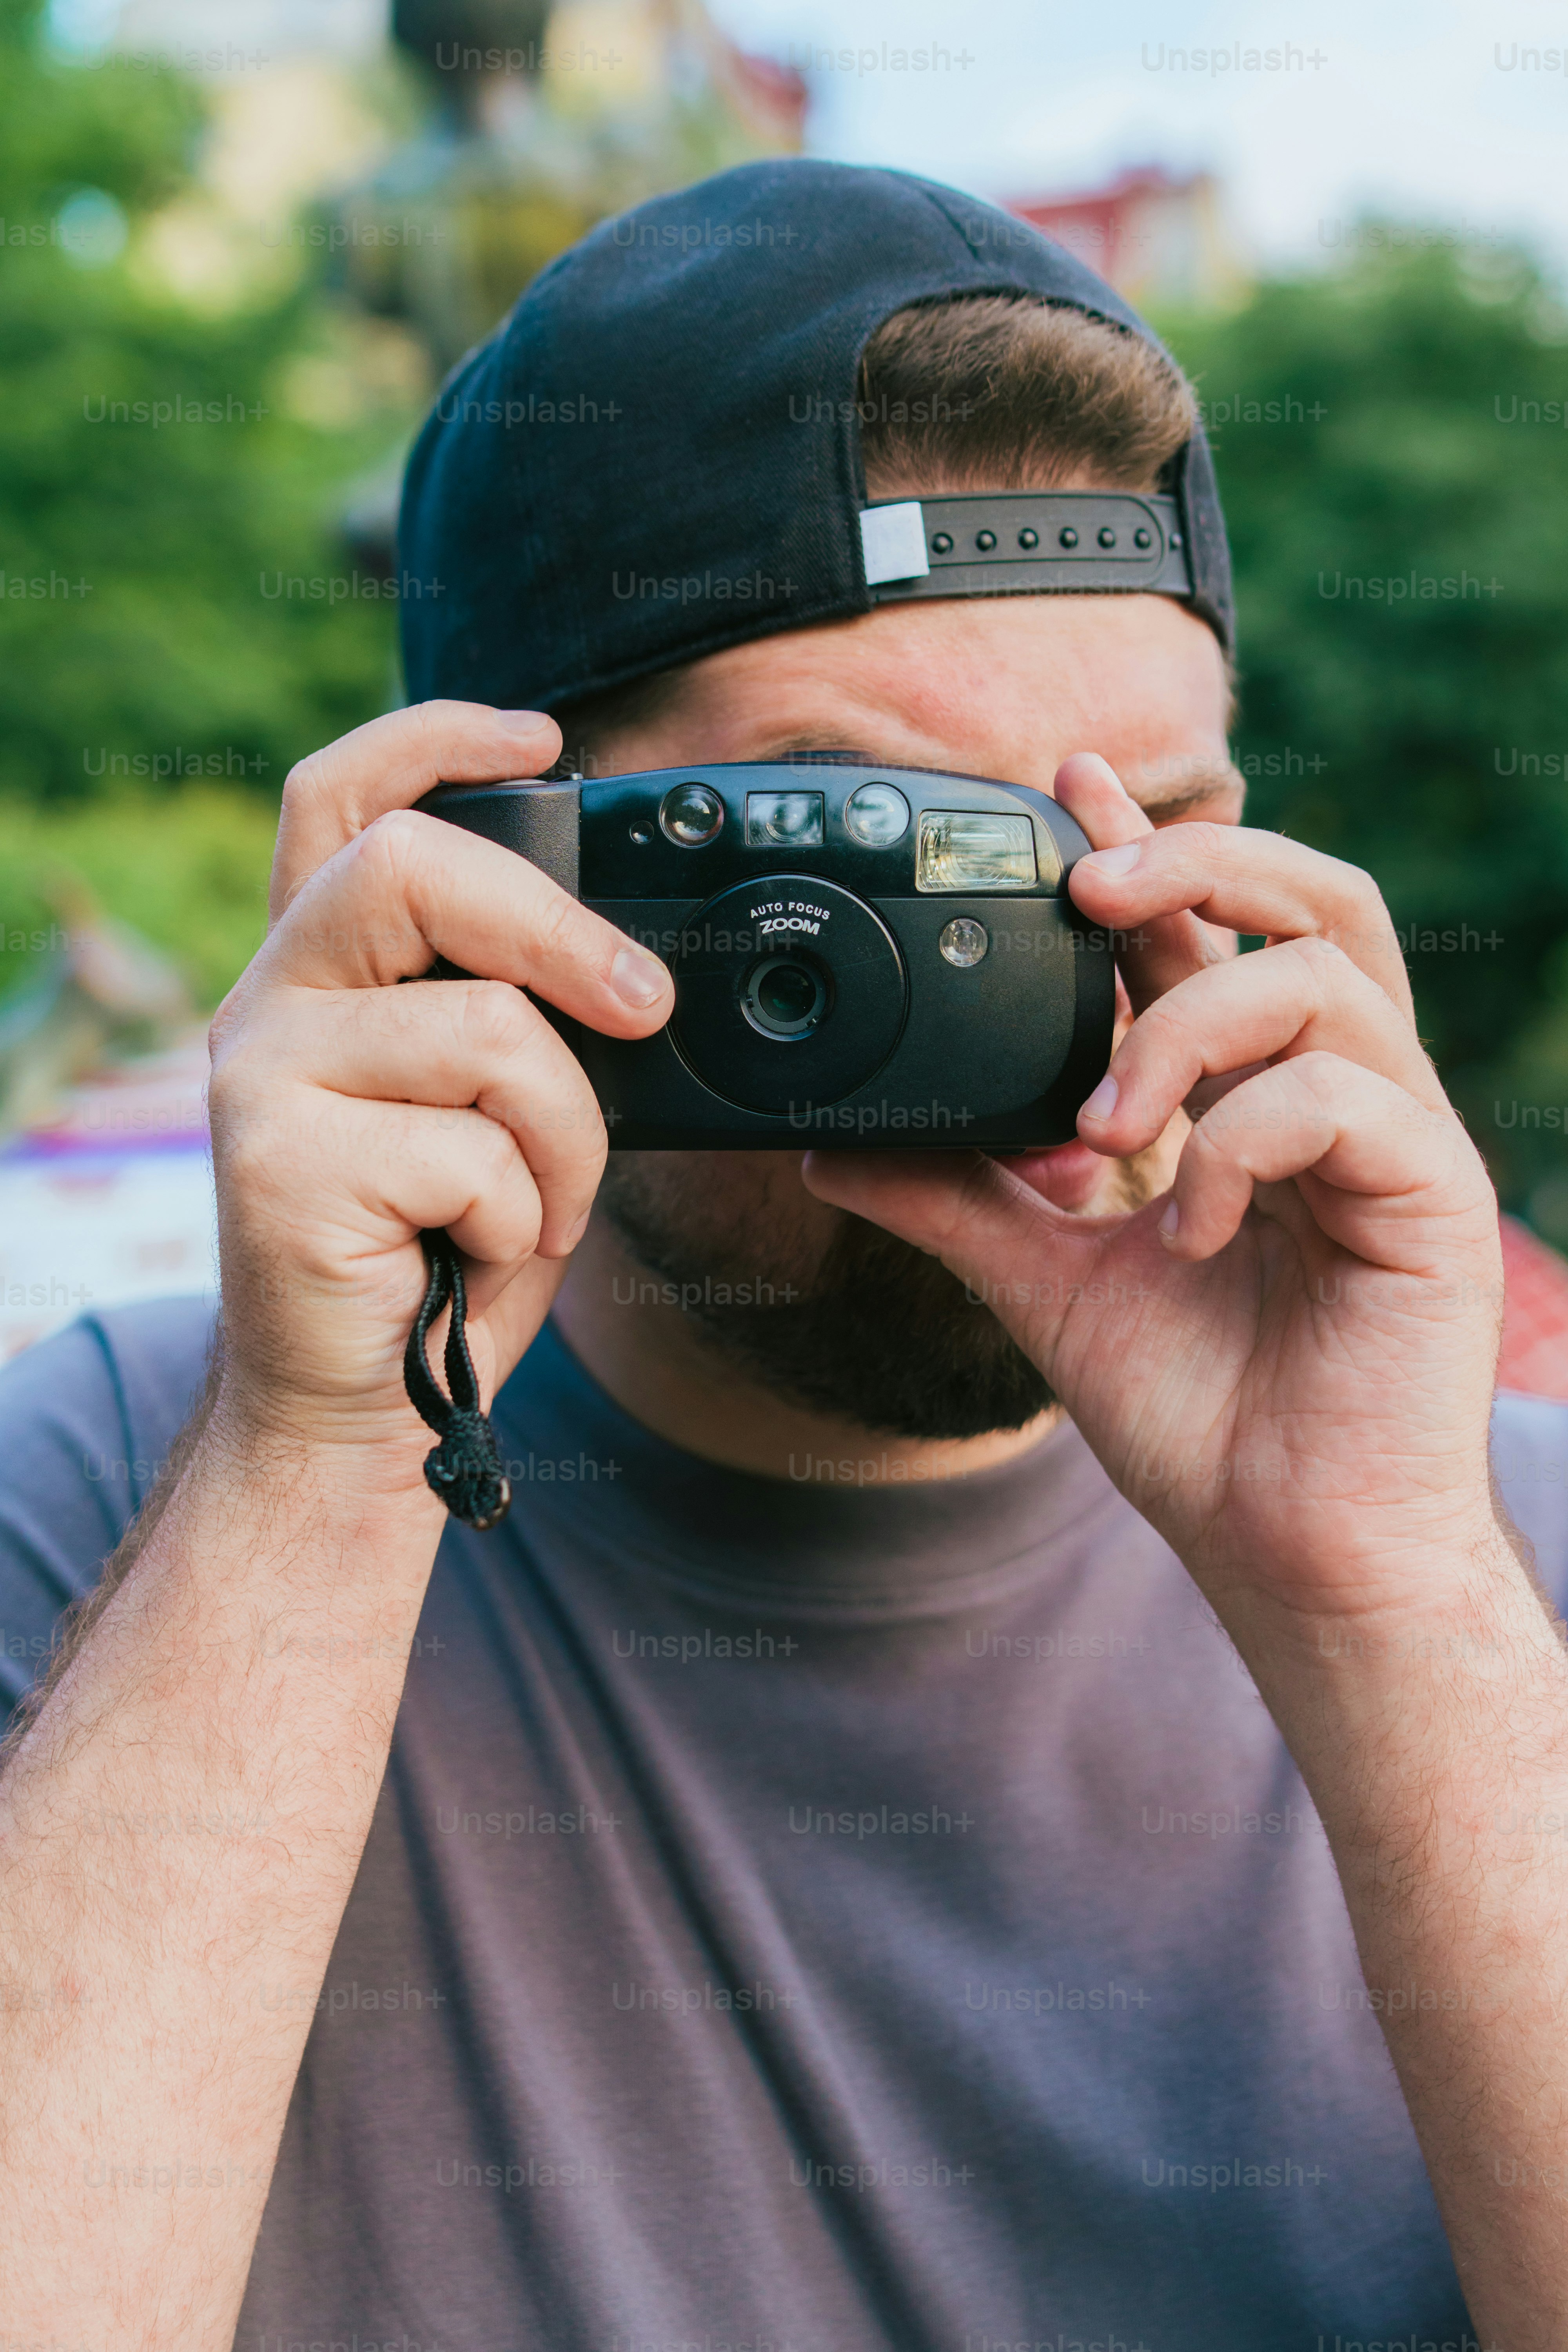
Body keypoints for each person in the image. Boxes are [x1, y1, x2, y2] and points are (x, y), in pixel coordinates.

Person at [0, 159, 1563, 2352]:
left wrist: (1389, 1590)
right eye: (843, 842)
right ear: (483, 873)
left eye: (1131, 844)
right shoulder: (103, 1510)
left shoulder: (1512, 1573)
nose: (1027, 982)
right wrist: (326, 1462)